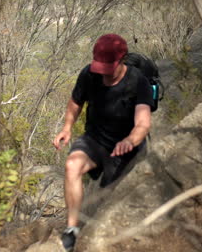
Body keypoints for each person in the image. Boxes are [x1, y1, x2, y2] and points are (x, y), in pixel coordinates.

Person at [52, 34, 154, 251]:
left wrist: (130, 140)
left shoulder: (138, 82)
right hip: (95, 140)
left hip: (125, 150)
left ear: (122, 60)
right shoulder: (89, 75)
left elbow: (143, 124)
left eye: (108, 67)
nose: (103, 73)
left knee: (109, 203)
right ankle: (71, 230)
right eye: (100, 66)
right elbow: (75, 103)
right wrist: (67, 128)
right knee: (72, 165)